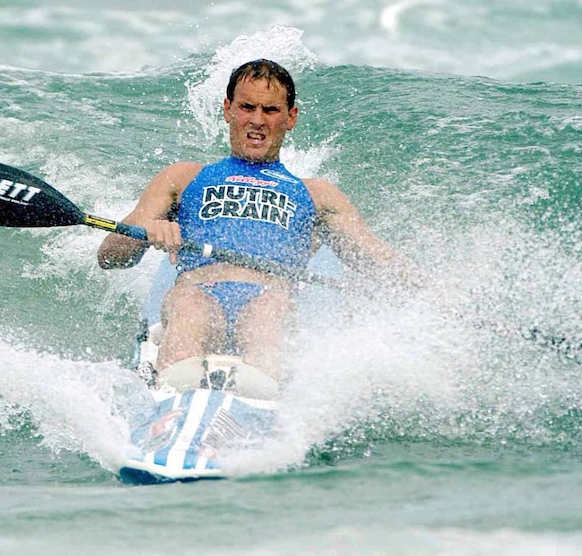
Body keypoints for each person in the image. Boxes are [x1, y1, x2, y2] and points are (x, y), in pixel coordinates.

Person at [97, 59, 407, 395]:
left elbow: (377, 260)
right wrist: (145, 234)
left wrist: (444, 301)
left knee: (268, 322)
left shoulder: (317, 194)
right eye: (247, 107)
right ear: (228, 109)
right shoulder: (182, 177)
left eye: (271, 110)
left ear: (291, 118)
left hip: (268, 299)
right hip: (196, 292)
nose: (257, 120)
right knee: (188, 312)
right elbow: (110, 257)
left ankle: (258, 398)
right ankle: (174, 396)